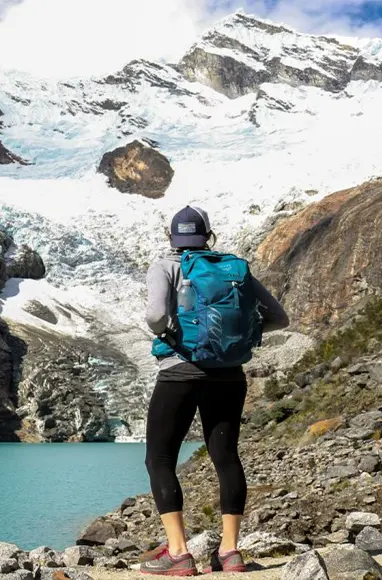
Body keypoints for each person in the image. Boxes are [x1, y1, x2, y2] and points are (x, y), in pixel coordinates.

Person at [139, 205, 289, 576]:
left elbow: (156, 316)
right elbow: (279, 317)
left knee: (159, 459)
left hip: (180, 372)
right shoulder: (234, 269)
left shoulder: (166, 265)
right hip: (230, 375)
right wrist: (243, 338)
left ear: (172, 237)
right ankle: (230, 552)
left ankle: (178, 553)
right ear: (209, 235)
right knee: (225, 456)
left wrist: (172, 337)